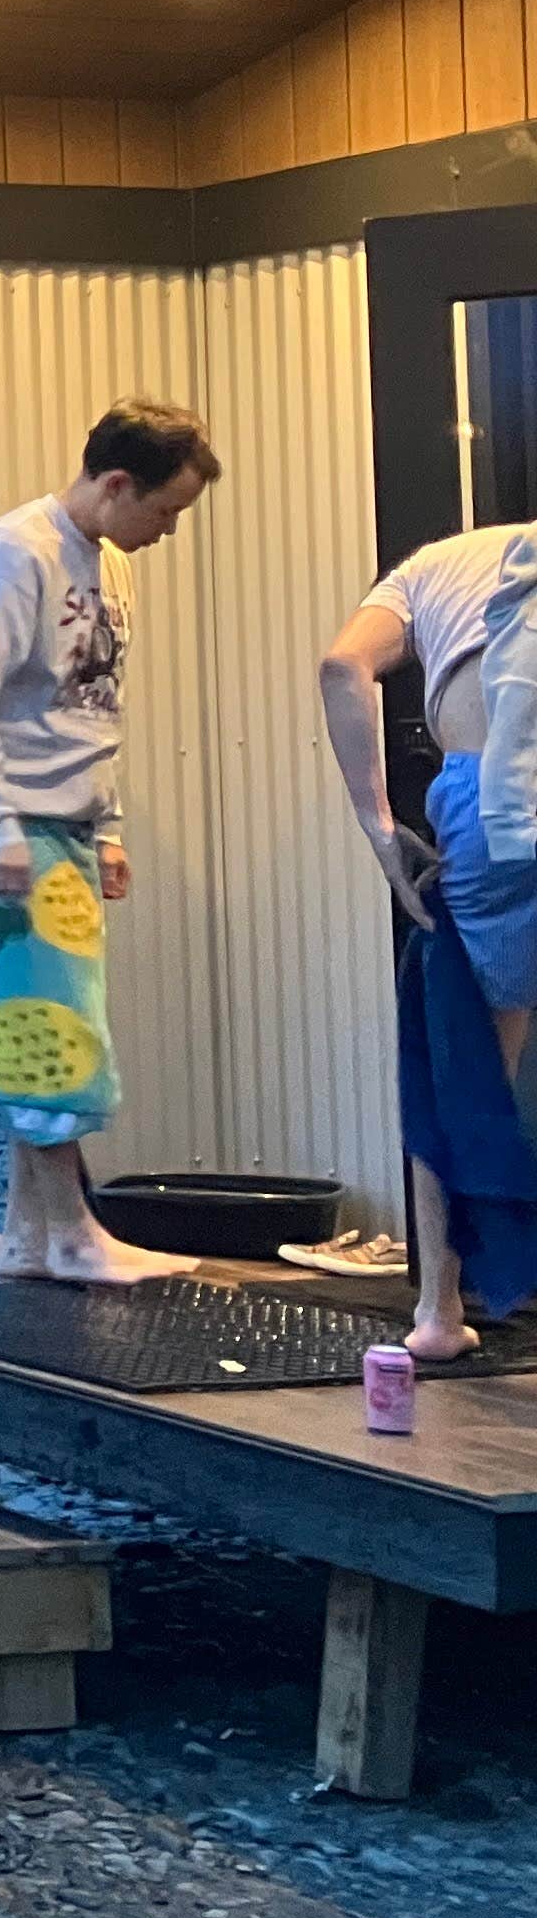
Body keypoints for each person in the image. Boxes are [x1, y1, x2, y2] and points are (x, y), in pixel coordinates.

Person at [0, 399, 221, 1285]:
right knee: (54, 1015)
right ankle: (76, 1234)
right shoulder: (14, 556)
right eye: (164, 510)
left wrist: (106, 828)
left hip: (59, 810)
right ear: (118, 482)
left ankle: (25, 1235)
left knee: (40, 1009)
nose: (165, 530)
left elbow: (92, 706)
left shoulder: (104, 562)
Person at [322, 523, 537, 1357]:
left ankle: (441, 1311)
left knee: (473, 1055)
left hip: (496, 795)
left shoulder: (431, 568)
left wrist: (381, 826)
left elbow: (344, 666)